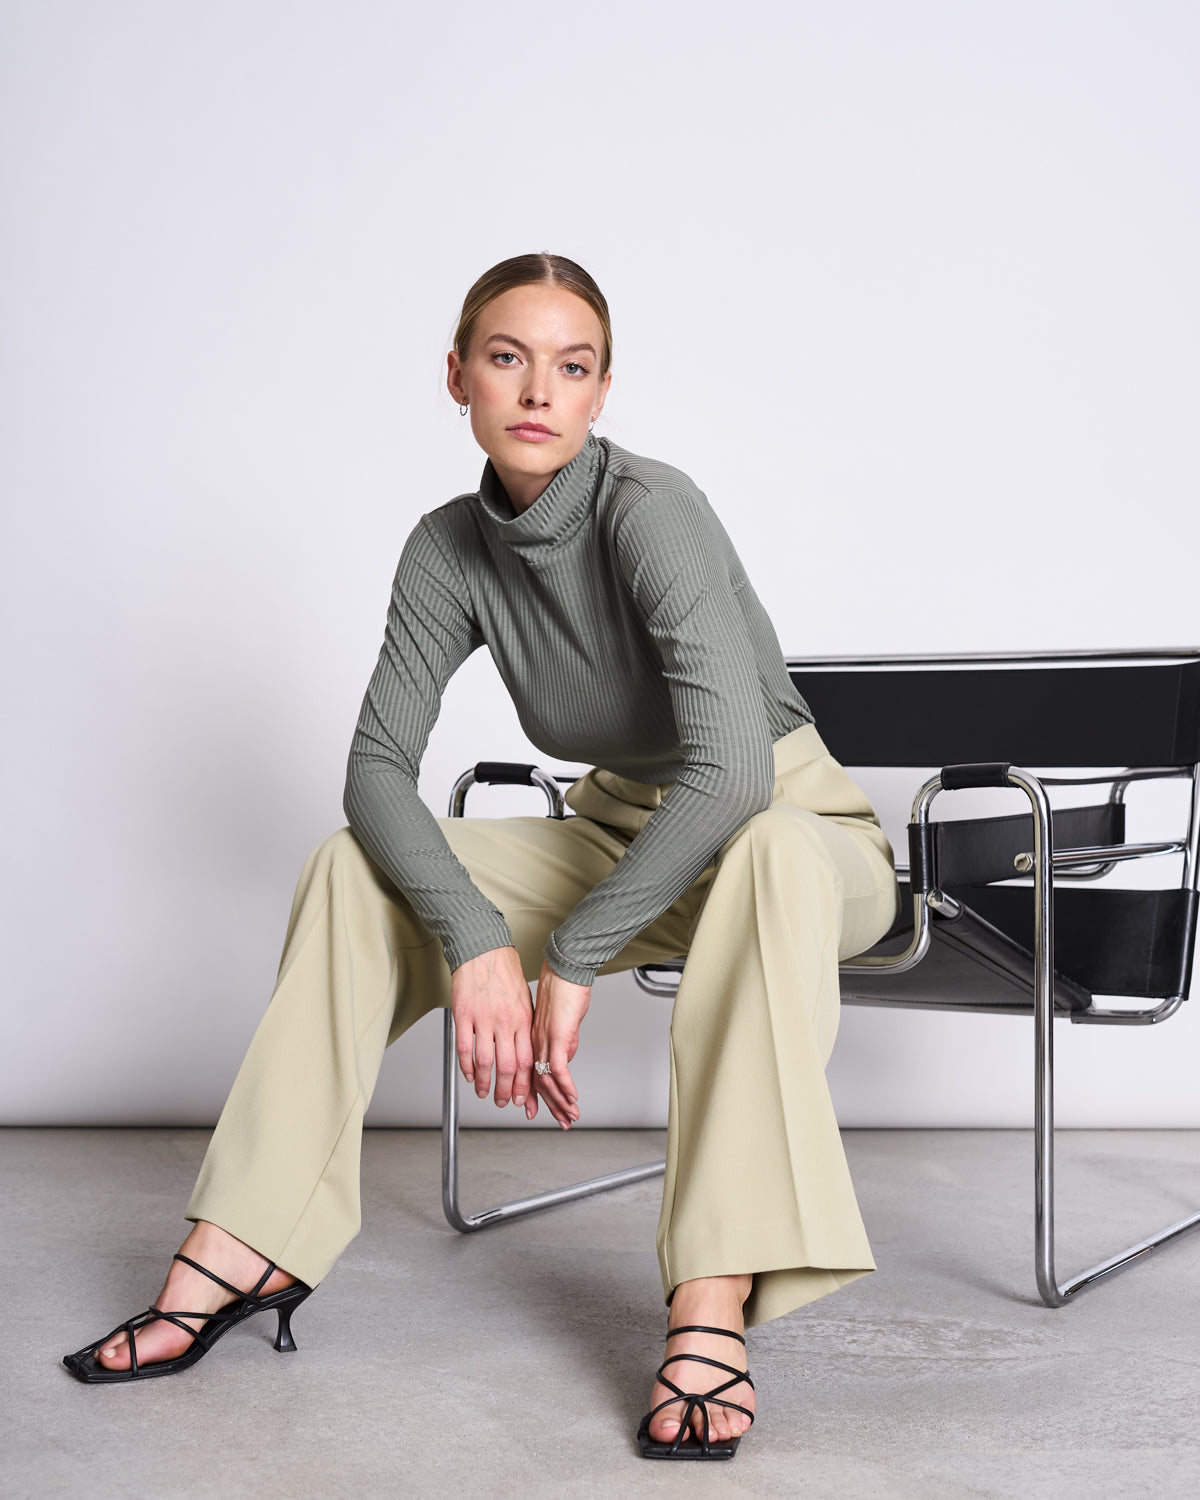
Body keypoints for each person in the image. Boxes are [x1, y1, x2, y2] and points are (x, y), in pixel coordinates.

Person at [63, 253, 898, 1459]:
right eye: (508, 358)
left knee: (763, 848)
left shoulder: (652, 510)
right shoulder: (449, 546)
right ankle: (247, 1241)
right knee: (358, 868)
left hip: (801, 835)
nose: (538, 391)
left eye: (572, 366)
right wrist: (473, 940)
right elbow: (374, 774)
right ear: (457, 376)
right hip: (622, 834)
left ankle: (711, 1298)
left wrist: (569, 956)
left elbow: (730, 775)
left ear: (605, 390)